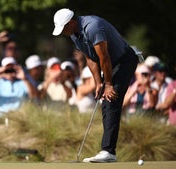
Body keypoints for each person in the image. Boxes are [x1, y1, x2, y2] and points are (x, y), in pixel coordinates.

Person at [52, 8, 138, 162]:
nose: (64, 32)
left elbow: (104, 57)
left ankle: (108, 152)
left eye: (64, 27)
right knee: (105, 102)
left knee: (111, 99)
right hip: (111, 64)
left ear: (72, 22)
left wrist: (109, 84)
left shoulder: (92, 27)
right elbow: (90, 59)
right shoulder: (74, 34)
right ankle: (108, 151)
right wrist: (99, 83)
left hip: (124, 60)